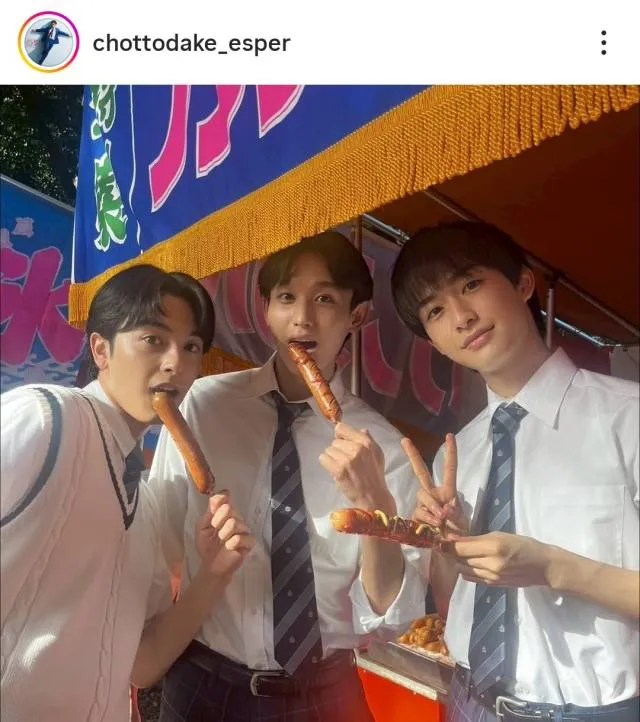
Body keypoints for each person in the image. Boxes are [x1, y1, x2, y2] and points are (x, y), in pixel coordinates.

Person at [146, 231, 427, 722]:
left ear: (356, 315)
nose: (303, 318)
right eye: (286, 298)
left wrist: (376, 508)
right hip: (201, 678)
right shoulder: (204, 406)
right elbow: (161, 542)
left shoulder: (383, 447)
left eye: (325, 299)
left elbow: (388, 613)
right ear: (266, 311)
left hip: (323, 693)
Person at [391, 221, 639, 722]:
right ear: (434, 342)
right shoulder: (457, 454)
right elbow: (452, 601)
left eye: (470, 284)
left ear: (523, 284)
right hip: (469, 701)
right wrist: (446, 545)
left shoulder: (627, 417)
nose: (461, 317)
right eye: (435, 311)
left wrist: (552, 568)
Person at [1, 264, 253, 722]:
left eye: (191, 347)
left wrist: (214, 573)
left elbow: (143, 662)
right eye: (153, 339)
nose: (176, 363)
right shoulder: (47, 419)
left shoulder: (145, 501)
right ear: (101, 349)